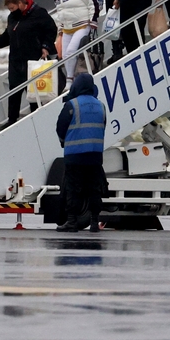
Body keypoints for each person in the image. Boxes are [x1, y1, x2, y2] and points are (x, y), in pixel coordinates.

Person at [0, 0, 57, 126]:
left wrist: (46, 46)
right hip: (16, 60)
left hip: (33, 58)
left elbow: (51, 30)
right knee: (14, 89)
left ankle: (36, 116)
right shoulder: (12, 18)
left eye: (12, 8)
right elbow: (7, 36)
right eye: (9, 9)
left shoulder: (38, 13)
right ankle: (12, 119)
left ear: (20, 4)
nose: (11, 11)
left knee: (33, 89)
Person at [55, 72, 108, 232]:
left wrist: (64, 142)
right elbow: (103, 125)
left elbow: (60, 127)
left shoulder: (72, 105)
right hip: (95, 155)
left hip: (75, 155)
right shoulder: (101, 106)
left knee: (73, 188)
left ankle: (72, 221)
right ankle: (94, 222)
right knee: (94, 188)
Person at [48, 0, 98, 91]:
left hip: (82, 24)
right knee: (65, 55)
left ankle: (70, 80)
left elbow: (92, 2)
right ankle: (70, 78)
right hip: (67, 28)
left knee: (71, 51)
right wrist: (60, 29)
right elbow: (60, 12)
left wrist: (93, 20)